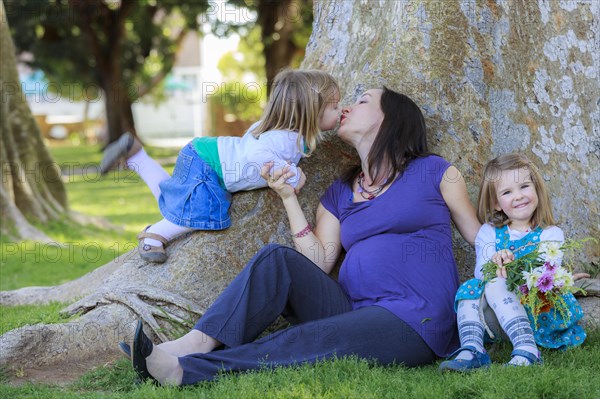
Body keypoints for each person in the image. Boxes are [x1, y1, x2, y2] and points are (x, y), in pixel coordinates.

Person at [124, 87, 481, 386]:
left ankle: (184, 371)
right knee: (276, 260)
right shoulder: (341, 192)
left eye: (362, 100)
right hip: (351, 309)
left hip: (413, 319)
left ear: (391, 118)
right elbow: (320, 262)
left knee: (309, 340)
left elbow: (479, 238)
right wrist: (288, 198)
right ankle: (192, 344)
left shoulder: (435, 171)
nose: (348, 107)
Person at [99, 69, 341, 263]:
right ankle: (155, 234)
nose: (340, 111)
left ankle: (137, 157)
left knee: (175, 196)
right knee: (204, 210)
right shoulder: (284, 139)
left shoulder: (284, 132)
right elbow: (256, 153)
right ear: (312, 112)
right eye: (334, 107)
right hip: (208, 164)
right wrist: (290, 177)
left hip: (203, 154)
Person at [439, 153, 588, 372]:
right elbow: (481, 273)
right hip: (501, 315)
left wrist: (512, 266)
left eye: (524, 186)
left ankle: (527, 349)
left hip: (538, 311)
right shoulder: (488, 233)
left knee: (497, 283)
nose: (518, 196)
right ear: (496, 203)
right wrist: (495, 262)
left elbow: (542, 276)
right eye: (507, 192)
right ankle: (472, 350)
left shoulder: (551, 234)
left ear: (537, 189)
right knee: (472, 286)